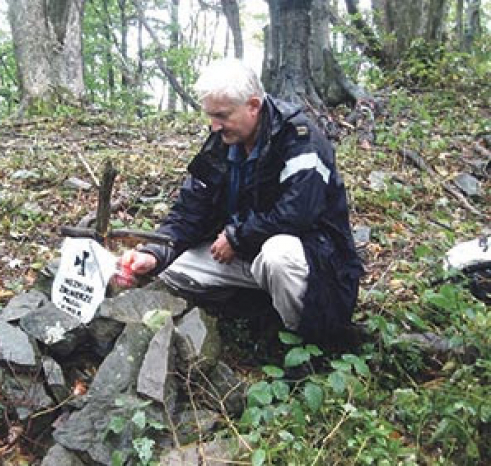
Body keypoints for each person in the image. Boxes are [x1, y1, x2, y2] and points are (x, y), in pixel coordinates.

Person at [121, 58, 364, 342]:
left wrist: (238, 237)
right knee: (172, 270)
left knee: (278, 256)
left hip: (317, 264)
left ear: (253, 106)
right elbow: (189, 211)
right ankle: (254, 313)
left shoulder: (300, 140)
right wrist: (154, 253)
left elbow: (298, 214)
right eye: (210, 116)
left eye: (222, 116)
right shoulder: (222, 144)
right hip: (245, 254)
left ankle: (309, 341)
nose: (214, 126)